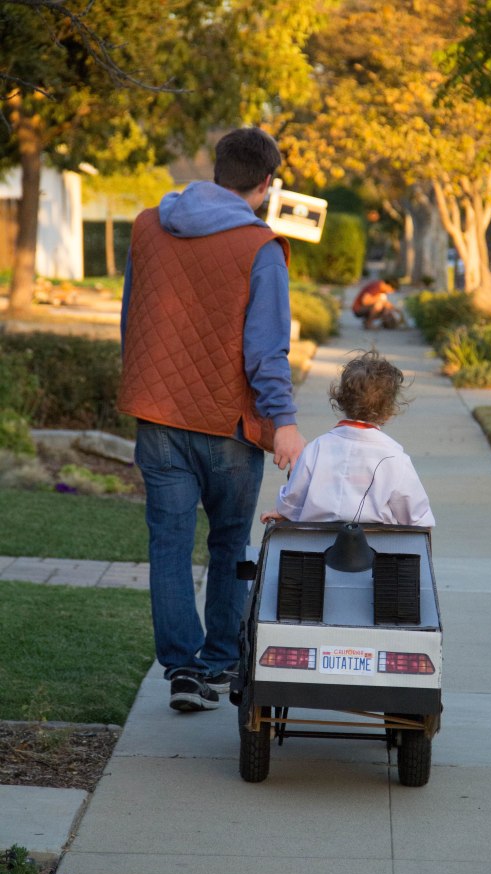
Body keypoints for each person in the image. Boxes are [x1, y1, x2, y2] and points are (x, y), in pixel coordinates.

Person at [118, 127, 305, 713]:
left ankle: (181, 668)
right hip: (226, 423)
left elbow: (133, 317)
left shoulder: (149, 227)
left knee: (169, 545)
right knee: (229, 543)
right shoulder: (260, 248)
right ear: (266, 183)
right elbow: (266, 352)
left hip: (159, 415)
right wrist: (285, 423)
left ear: (217, 168)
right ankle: (219, 661)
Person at [260, 350, 434, 527]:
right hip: (376, 548)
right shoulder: (395, 458)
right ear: (389, 412)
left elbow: (293, 502)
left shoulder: (316, 449)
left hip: (316, 548)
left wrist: (284, 512)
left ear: (340, 400)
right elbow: (416, 516)